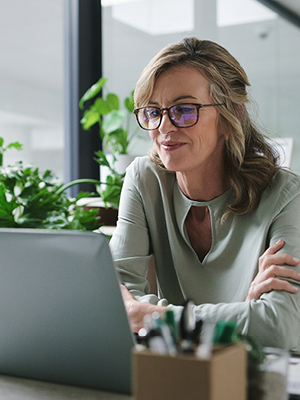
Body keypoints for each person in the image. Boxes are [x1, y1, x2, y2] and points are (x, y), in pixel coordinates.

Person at [109, 37, 300, 350]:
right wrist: (243, 313)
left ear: (231, 117)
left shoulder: (286, 196)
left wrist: (154, 316)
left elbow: (280, 329)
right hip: (174, 375)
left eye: (185, 110)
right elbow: (114, 298)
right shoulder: (144, 179)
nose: (165, 127)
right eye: (153, 111)